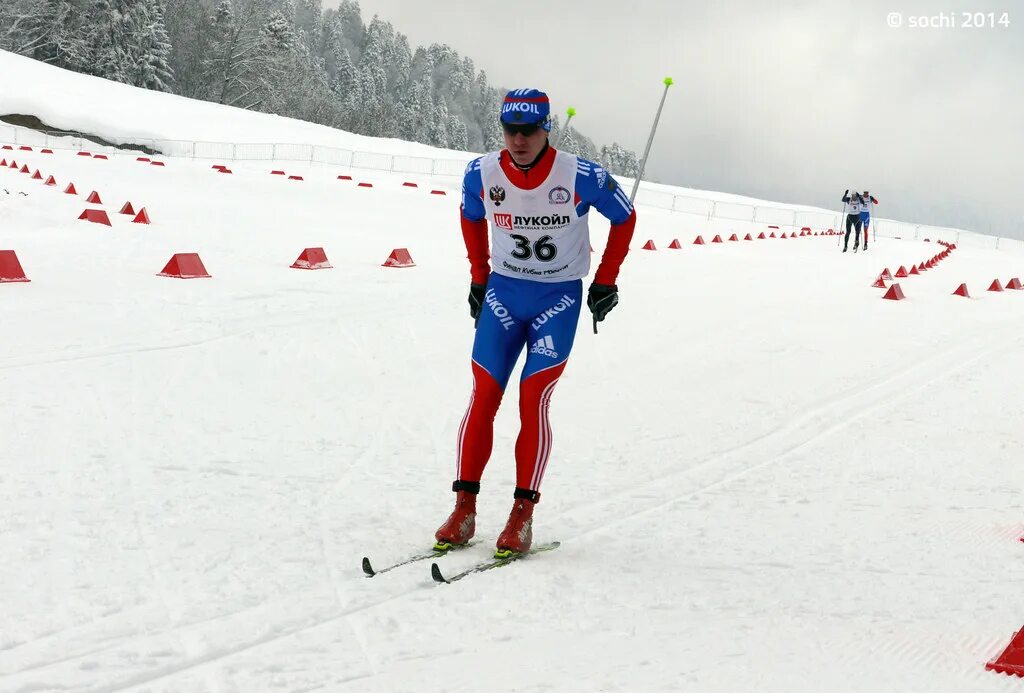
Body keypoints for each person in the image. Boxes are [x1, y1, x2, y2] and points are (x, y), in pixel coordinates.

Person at [434, 88, 637, 558]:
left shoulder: (580, 175)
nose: (519, 139)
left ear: (547, 129)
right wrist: (478, 277)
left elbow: (624, 218)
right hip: (505, 296)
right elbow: (470, 216)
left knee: (532, 399)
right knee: (483, 394)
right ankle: (464, 507)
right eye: (510, 129)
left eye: (528, 130)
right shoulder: (481, 171)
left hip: (557, 299)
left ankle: (521, 515)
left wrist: (606, 280)